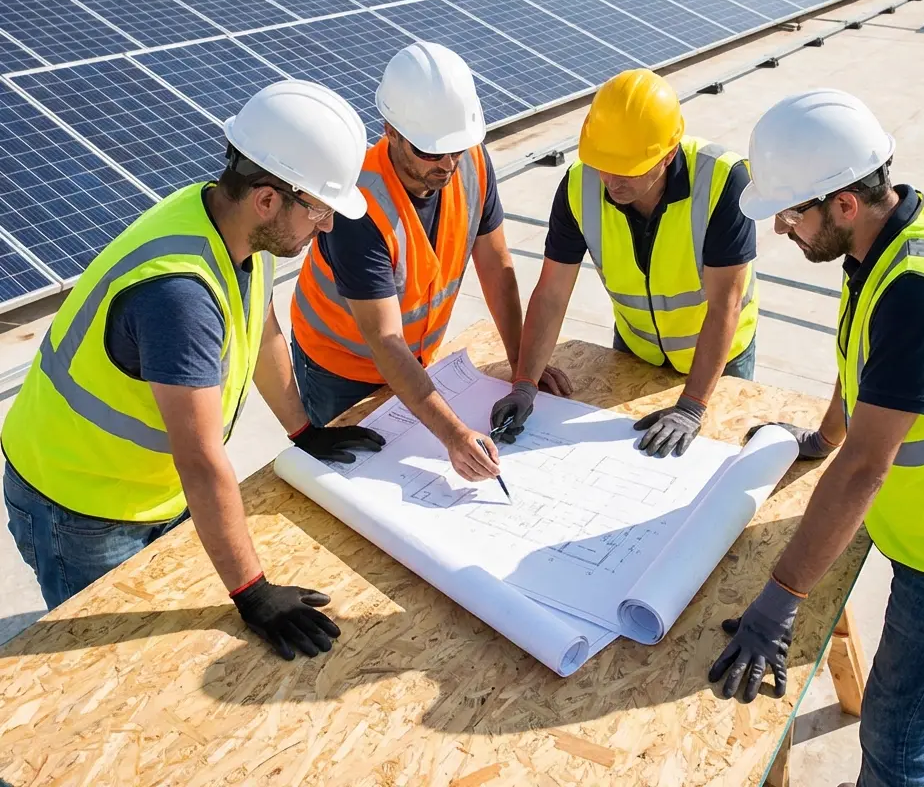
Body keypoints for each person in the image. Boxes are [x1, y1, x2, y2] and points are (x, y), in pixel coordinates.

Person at [3, 80, 386, 661]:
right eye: (320, 208)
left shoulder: (225, 223)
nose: (328, 225)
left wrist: (303, 430)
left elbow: (260, 330)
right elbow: (202, 460)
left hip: (134, 488)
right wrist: (254, 594)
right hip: (82, 509)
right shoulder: (178, 297)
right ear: (267, 199)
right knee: (105, 665)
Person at [708, 89, 924, 787]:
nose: (784, 230)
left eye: (792, 213)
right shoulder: (891, 237)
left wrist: (781, 597)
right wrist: (824, 433)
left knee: (898, 726)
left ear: (844, 203)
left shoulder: (919, 292)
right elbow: (867, 371)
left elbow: (864, 471)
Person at [290, 41, 569, 484]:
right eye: (430, 151)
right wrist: (455, 434)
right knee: (358, 489)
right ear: (391, 131)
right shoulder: (357, 205)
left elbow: (496, 268)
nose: (447, 164)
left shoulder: (471, 162)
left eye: (456, 147)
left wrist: (523, 368)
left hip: (417, 356)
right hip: (340, 370)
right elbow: (384, 339)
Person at [490, 68, 758, 458]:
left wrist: (692, 406)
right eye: (603, 164)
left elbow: (725, 305)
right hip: (636, 350)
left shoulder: (722, 180)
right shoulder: (579, 185)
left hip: (722, 359)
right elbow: (551, 294)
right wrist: (524, 384)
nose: (612, 182)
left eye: (628, 170)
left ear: (667, 155)